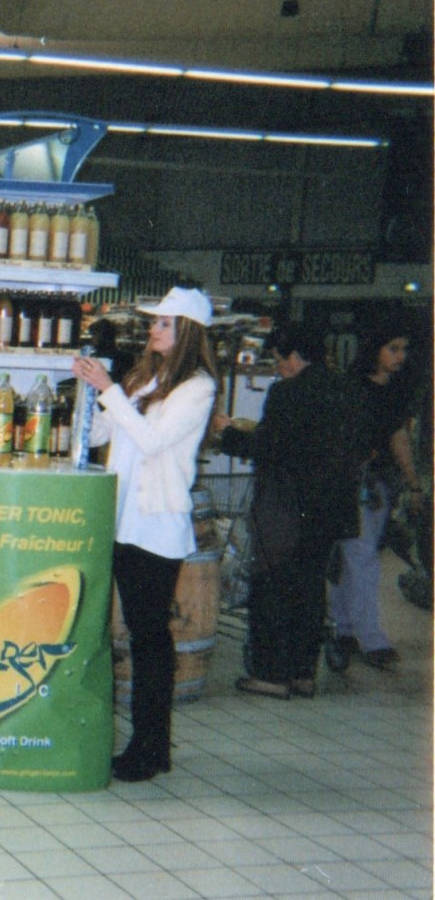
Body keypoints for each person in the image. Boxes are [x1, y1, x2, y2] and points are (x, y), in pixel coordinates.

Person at [72, 287, 218, 782]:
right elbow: (102, 435)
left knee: (149, 639)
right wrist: (89, 393)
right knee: (142, 635)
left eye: (164, 323)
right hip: (122, 520)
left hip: (155, 526)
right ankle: (150, 746)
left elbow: (153, 440)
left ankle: (150, 746)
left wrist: (109, 389)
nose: (153, 329)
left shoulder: (197, 388)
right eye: (155, 322)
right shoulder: (145, 377)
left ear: (187, 332)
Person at [211, 324, 362, 699]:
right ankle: (302, 672)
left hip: (288, 506)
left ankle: (271, 674)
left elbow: (270, 447)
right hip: (331, 508)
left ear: (293, 357)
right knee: (310, 587)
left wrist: (227, 433)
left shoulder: (287, 393)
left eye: (279, 361)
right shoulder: (346, 389)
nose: (279, 369)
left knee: (274, 585)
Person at [327, 322, 423, 673]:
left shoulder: (387, 392)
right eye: (393, 348)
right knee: (360, 557)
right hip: (356, 484)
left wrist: (412, 482)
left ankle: (345, 629)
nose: (400, 356)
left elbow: (398, 438)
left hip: (373, 486)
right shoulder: (354, 389)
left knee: (354, 556)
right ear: (375, 349)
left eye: (403, 349)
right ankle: (370, 638)